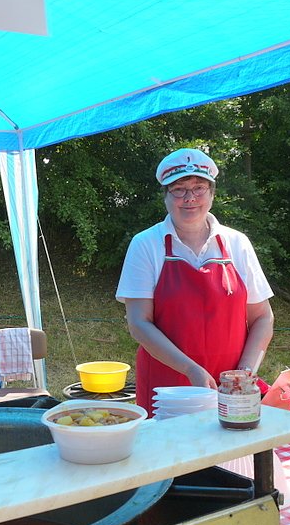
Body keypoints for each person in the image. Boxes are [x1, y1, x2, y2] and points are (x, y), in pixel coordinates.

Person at [116, 148, 276, 417]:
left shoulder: (237, 243)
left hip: (231, 388)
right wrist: (191, 370)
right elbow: (139, 323)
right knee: (172, 456)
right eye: (178, 189)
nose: (189, 198)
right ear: (166, 197)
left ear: (212, 194)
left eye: (199, 188)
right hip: (168, 389)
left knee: (231, 457)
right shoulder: (146, 244)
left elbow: (263, 317)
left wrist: (245, 374)